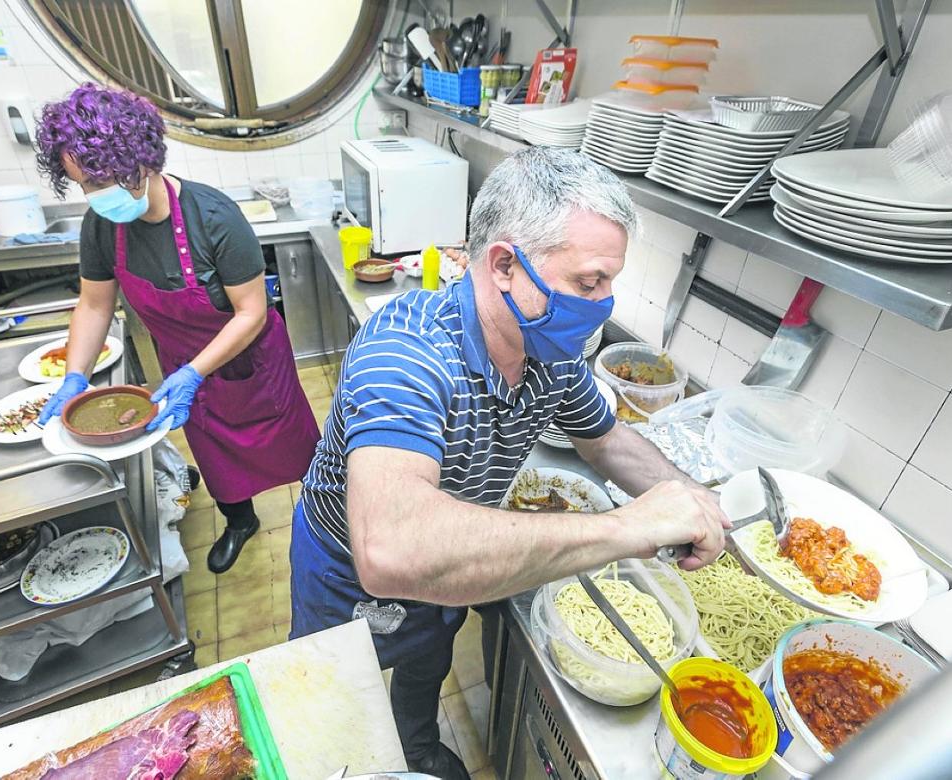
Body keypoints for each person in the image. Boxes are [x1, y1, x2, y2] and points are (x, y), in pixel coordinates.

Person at [288, 147, 730, 779]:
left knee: (425, 663)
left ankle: (417, 743)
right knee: (336, 703)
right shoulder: (406, 351)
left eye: (609, 282)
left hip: (455, 546)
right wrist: (627, 529)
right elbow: (391, 551)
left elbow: (606, 442)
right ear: (503, 264)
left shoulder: (548, 351)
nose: (604, 304)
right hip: (345, 575)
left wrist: (693, 501)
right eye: (588, 283)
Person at [34, 84, 320, 573]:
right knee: (213, 454)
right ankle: (239, 521)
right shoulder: (102, 226)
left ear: (143, 159)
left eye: (104, 179)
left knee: (294, 451)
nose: (97, 194)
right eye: (85, 185)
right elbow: (94, 306)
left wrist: (196, 371)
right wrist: (74, 377)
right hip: (182, 366)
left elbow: (251, 311)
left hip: (251, 362)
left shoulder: (213, 218)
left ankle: (321, 522)